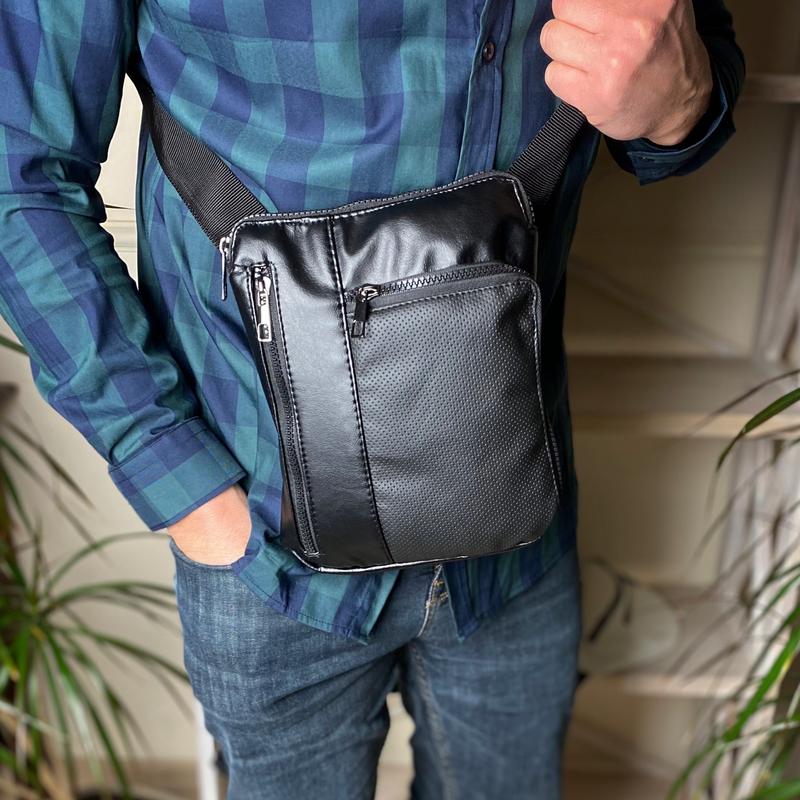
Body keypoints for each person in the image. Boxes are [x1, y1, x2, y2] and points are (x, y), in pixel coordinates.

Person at [0, 1, 743, 798]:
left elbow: (688, 61)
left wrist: (683, 102)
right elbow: (18, 177)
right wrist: (186, 488)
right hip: (270, 544)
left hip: (518, 521)